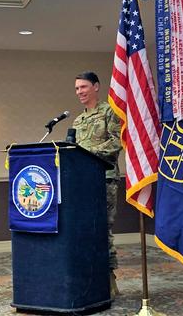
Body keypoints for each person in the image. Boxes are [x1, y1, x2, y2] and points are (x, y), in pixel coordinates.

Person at [72, 71, 121, 298]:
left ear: (96, 87)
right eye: (77, 88)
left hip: (105, 178)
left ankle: (109, 280)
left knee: (103, 229)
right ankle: (91, 279)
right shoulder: (77, 121)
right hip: (83, 182)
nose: (79, 92)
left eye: (83, 87)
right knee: (86, 230)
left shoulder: (109, 112)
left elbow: (116, 141)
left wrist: (89, 154)